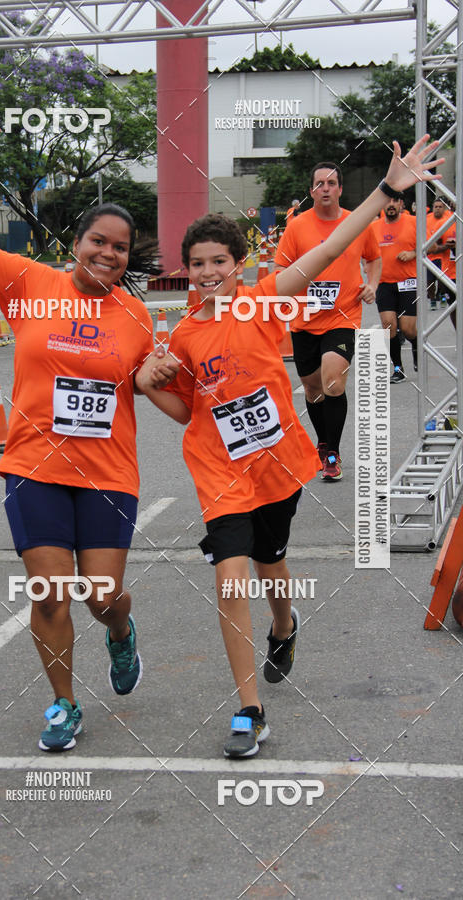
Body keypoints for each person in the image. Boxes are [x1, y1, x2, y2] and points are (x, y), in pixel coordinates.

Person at [136, 137, 442, 759]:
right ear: (185, 270)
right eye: (197, 264)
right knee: (229, 579)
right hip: (219, 469)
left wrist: (387, 189)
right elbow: (189, 410)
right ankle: (250, 709)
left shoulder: (263, 299)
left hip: (275, 463)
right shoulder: (187, 334)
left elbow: (330, 247)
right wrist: (147, 387)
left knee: (272, 565)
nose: (208, 272)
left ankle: (284, 625)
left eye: (219, 261)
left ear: (240, 265)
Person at [0, 101, 157, 752]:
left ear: (127, 259)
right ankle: (64, 703)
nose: (108, 254)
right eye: (98, 241)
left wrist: (162, 378)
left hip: (107, 474)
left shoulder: (138, 318)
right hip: (32, 466)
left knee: (100, 596)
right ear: (76, 243)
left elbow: (155, 386)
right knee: (49, 596)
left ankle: (121, 632)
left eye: (120, 248)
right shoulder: (29, 283)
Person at [273, 162, 381, 482]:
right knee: (314, 390)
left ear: (340, 189)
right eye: (319, 183)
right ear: (311, 191)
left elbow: (373, 259)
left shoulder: (356, 224)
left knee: (334, 380)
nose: (325, 188)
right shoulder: (297, 227)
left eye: (331, 183)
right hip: (304, 320)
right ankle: (323, 444)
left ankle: (331, 454)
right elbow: (281, 268)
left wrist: (372, 284)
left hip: (343, 315)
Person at [372, 192, 419, 381]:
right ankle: (398, 368)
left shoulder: (413, 222)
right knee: (388, 326)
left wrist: (413, 253)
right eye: (387, 201)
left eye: (395, 201)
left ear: (401, 203)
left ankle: (416, 346)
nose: (391, 205)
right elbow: (367, 255)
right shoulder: (374, 227)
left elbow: (429, 246)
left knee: (407, 329)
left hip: (408, 282)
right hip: (384, 284)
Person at [427, 197, 456, 311]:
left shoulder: (449, 218)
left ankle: (443, 297)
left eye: (440, 207)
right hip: (431, 257)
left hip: (444, 259)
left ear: (445, 208)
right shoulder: (428, 219)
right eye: (436, 207)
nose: (438, 209)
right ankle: (433, 299)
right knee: (429, 282)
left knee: (442, 281)